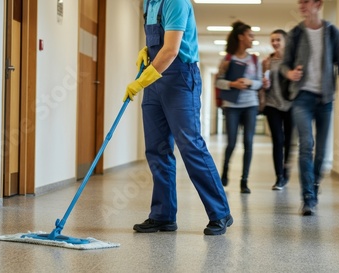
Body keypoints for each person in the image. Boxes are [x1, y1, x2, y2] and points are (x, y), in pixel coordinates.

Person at [123, 0, 233, 235]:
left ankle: (220, 212)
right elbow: (157, 43)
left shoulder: (176, 2)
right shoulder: (148, 4)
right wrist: (146, 52)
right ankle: (162, 215)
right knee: (156, 149)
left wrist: (141, 81)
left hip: (180, 77)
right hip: (155, 76)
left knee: (190, 145)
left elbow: (172, 49)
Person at [280, 0, 339, 216]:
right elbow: (284, 64)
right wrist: (289, 73)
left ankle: (314, 186)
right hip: (301, 98)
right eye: (299, 2)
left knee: (321, 153)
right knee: (306, 145)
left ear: (318, 4)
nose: (301, 5)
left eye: (305, 1)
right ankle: (308, 198)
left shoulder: (332, 33)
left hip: (325, 100)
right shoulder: (295, 34)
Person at [215, 21, 262, 194]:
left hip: (250, 104)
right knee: (232, 142)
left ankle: (244, 181)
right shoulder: (227, 60)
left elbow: (259, 83)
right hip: (232, 105)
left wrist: (250, 82)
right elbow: (219, 81)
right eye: (250, 35)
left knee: (248, 142)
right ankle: (224, 174)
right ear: (241, 37)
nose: (252, 39)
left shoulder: (254, 60)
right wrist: (233, 84)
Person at [262, 29, 294, 191]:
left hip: (290, 105)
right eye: (272, 40)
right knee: (278, 140)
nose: (274, 43)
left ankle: (286, 171)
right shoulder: (267, 61)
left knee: (288, 141)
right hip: (272, 104)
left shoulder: (292, 61)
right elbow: (263, 83)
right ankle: (279, 177)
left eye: (278, 40)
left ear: (285, 41)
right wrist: (264, 82)